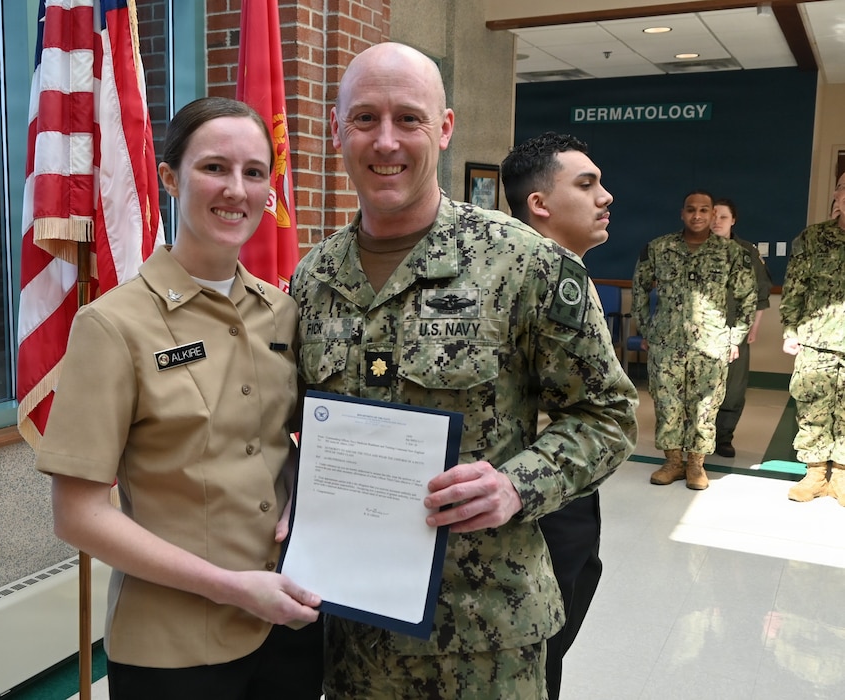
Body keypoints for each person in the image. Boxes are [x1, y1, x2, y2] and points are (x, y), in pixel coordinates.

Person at [291, 42, 638, 699]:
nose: (385, 141)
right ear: (337, 131)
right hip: (352, 631)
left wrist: (515, 485)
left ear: (444, 128)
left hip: (484, 641)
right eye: (364, 119)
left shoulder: (525, 265)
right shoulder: (314, 279)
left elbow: (608, 417)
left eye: (409, 118)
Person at [34, 97, 322, 700]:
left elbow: (280, 442)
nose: (236, 189)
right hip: (174, 649)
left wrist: (304, 487)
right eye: (214, 167)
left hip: (286, 624)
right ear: (169, 178)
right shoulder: (113, 326)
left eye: (254, 172)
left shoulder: (281, 312)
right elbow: (77, 515)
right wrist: (231, 587)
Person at [501, 131, 615, 700]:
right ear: (539, 203)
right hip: (531, 500)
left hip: (566, 487)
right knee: (536, 658)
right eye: (586, 184)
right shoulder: (529, 279)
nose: (605, 197)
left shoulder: (570, 275)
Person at [634, 191, 757, 490]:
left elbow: (748, 297)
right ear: (682, 213)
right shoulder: (658, 248)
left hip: (711, 345)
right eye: (691, 209)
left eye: (704, 210)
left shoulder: (732, 252)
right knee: (667, 404)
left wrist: (734, 338)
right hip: (667, 343)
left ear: (713, 214)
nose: (697, 215)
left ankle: (696, 465)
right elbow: (639, 288)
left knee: (705, 407)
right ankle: (673, 462)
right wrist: (647, 330)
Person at [781, 171, 845, 504]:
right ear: (836, 195)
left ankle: (842, 476)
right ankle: (815, 474)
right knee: (812, 408)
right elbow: (794, 287)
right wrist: (790, 331)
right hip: (816, 339)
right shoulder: (813, 238)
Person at [710, 198, 773, 458]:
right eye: (713, 216)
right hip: (701, 331)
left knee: (733, 387)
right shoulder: (692, 248)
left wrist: (753, 329)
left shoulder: (747, 252)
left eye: (723, 217)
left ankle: (724, 437)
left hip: (736, 329)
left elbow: (761, 294)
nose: (716, 221)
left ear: (733, 220)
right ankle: (698, 436)